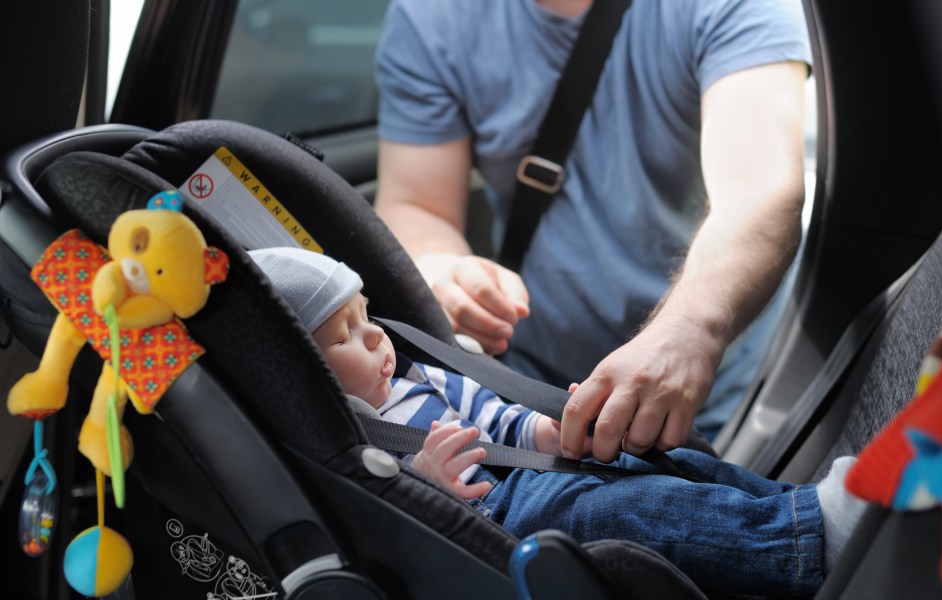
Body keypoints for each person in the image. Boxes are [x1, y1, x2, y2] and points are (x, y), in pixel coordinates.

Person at [249, 247, 865, 597]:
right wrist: (432, 482)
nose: (376, 337)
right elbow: (396, 515)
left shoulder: (418, 378)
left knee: (665, 464)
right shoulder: (351, 438)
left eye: (366, 316)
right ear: (307, 371)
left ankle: (799, 508)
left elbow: (493, 416)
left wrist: (551, 431)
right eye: (345, 336)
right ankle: (801, 542)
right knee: (617, 514)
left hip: (533, 469)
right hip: (498, 514)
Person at [372, 0, 813, 457]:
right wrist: (442, 266)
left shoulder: (726, 7)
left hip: (716, 386)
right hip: (534, 390)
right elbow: (417, 204)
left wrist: (692, 330)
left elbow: (760, 192)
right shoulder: (432, 17)